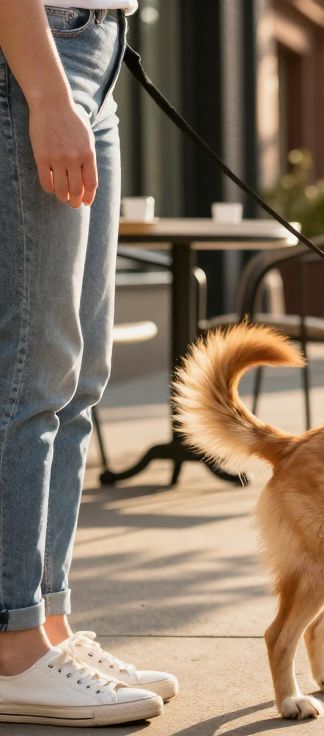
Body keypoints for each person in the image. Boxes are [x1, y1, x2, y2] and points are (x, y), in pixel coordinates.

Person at [0, 0, 178, 727]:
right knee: (30, 373)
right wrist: (46, 93)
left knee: (79, 379)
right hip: (45, 46)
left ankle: (49, 627)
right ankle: (13, 646)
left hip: (98, 50)